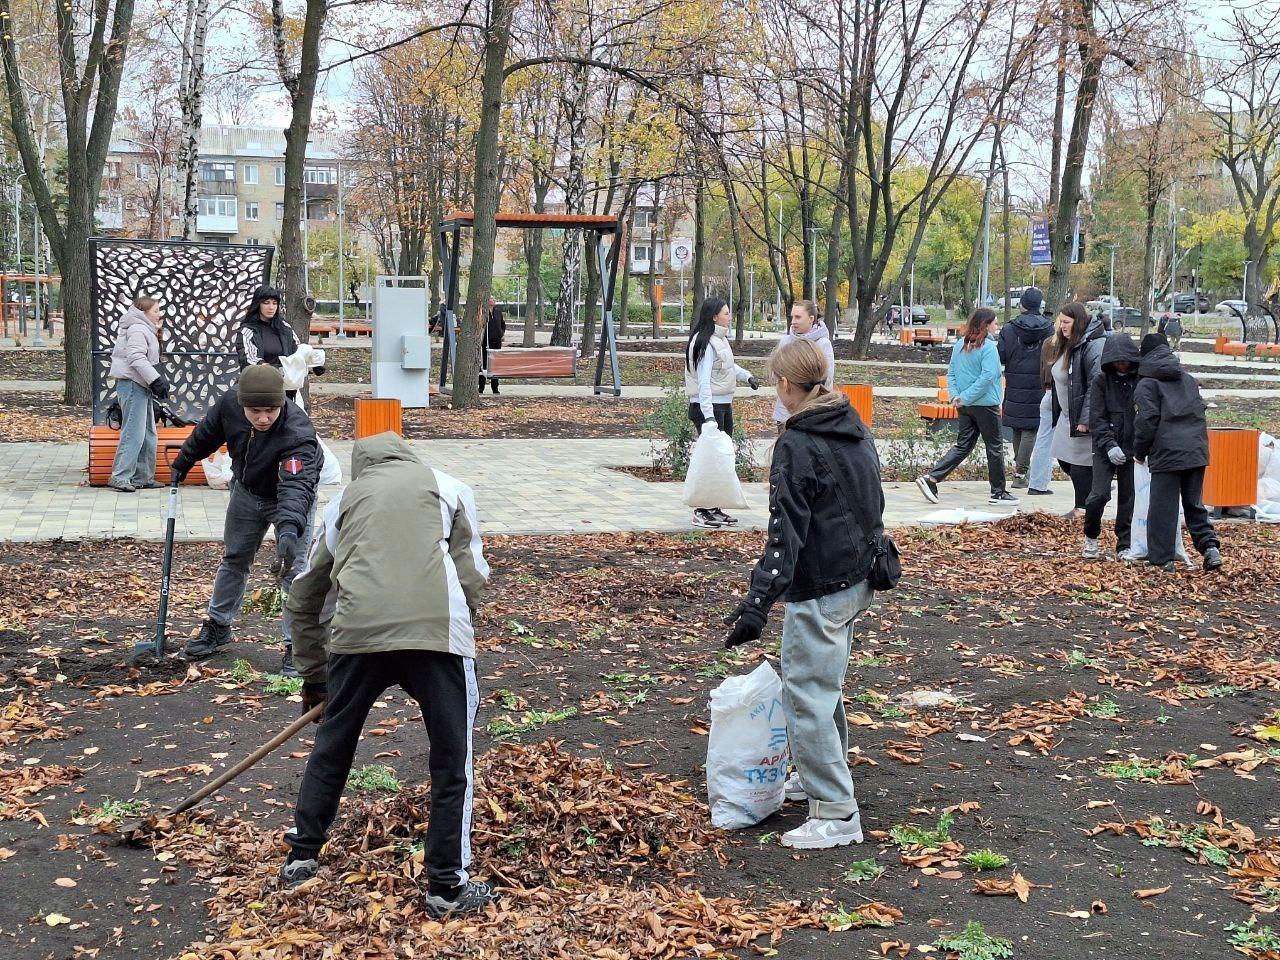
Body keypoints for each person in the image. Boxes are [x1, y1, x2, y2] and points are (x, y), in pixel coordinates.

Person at [279, 432, 496, 917]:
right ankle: (446, 887)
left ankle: (302, 857)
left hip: (357, 635)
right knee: (451, 760)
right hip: (437, 636)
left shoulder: (344, 502)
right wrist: (460, 621)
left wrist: (314, 675)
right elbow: (471, 572)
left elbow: (307, 590)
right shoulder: (451, 487)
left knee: (332, 746)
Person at [723, 339, 883, 850]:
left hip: (822, 584)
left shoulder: (796, 443)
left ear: (787, 385)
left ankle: (836, 812)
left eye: (776, 383)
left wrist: (756, 602)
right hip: (857, 577)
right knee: (822, 686)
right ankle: (816, 778)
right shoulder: (854, 427)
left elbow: (784, 534)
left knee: (807, 696)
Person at [170, 365, 320, 674]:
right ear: (242, 404)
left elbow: (296, 485)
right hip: (247, 492)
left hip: (288, 499)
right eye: (255, 411)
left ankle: (297, 646)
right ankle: (218, 625)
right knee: (234, 558)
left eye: (270, 410)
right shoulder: (229, 406)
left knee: (293, 571)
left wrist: (289, 529)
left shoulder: (297, 432)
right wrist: (184, 460)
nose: (263, 418)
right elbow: (207, 433)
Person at [1132, 333, 1223, 572]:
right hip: (1195, 451)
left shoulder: (1147, 384)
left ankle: (1162, 561)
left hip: (1168, 454)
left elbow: (1147, 422)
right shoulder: (1188, 379)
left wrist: (1140, 452)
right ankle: (1209, 547)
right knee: (1195, 504)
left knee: (1164, 508)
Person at [915, 308, 1018, 506]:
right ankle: (998, 493)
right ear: (986, 325)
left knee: (963, 445)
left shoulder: (960, 345)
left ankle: (932, 478)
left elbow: (951, 373)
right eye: (994, 323)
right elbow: (988, 377)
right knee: (995, 447)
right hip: (986, 405)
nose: (997, 327)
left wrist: (956, 397)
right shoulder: (988, 348)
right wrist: (964, 397)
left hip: (965, 406)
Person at [684, 297, 759, 528]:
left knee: (721, 460)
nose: (730, 316)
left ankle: (713, 507)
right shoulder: (705, 342)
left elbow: (726, 367)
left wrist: (746, 376)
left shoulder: (719, 340)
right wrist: (708, 416)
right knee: (711, 458)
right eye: (726, 313)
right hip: (708, 407)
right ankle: (701, 510)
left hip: (722, 404)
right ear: (714, 316)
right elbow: (704, 381)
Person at [1082, 333, 1140, 559]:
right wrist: (1108, 445)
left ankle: (1124, 544)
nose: (1121, 364)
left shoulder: (1140, 380)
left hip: (1133, 447)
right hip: (1106, 447)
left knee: (1128, 498)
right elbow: (1097, 417)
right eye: (1117, 361)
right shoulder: (1101, 381)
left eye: (1125, 360)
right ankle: (1091, 536)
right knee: (1098, 495)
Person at [1048, 302, 1105, 517]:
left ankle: (1083, 507)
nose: (1061, 326)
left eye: (1066, 322)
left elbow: (1094, 384)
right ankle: (1090, 496)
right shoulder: (1069, 344)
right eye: (1060, 322)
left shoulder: (1092, 346)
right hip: (1066, 415)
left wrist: (1086, 418)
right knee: (1064, 459)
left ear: (1078, 322)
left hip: (1081, 416)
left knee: (1079, 462)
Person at [107, 295, 169, 493]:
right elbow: (136, 358)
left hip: (141, 385)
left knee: (148, 433)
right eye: (155, 311)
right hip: (133, 384)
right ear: (143, 313)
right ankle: (120, 476)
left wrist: (153, 381)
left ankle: (142, 476)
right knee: (134, 432)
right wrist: (155, 380)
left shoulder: (144, 329)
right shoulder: (137, 329)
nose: (159, 315)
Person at [997, 287, 1054, 487]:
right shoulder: (1049, 329)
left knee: (1018, 427)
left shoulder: (1008, 329)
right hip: (1038, 383)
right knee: (1031, 427)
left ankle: (1021, 471)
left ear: (1021, 304)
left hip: (1014, 382)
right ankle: (1021, 474)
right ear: (1040, 305)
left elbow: (1001, 356)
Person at [237, 285, 326, 386]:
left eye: (274, 303)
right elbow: (249, 358)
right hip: (257, 388)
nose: (271, 307)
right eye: (266, 303)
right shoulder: (248, 330)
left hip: (286, 386)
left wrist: (314, 362)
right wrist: (266, 367)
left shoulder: (284, 327)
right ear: (258, 304)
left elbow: (297, 350)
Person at [773, 300, 834, 434]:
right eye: (792, 317)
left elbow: (827, 379)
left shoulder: (822, 344)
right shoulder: (785, 341)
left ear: (811, 319)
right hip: (785, 413)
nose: (793, 321)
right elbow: (775, 373)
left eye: (798, 317)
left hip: (812, 412)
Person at [479, 297, 506, 395]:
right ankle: (481, 387)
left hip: (496, 341)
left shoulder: (498, 312)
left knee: (495, 364)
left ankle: (495, 387)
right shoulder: (483, 312)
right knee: (484, 363)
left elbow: (503, 324)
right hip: (486, 341)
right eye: (490, 299)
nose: (492, 301)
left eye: (493, 299)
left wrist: (501, 333)